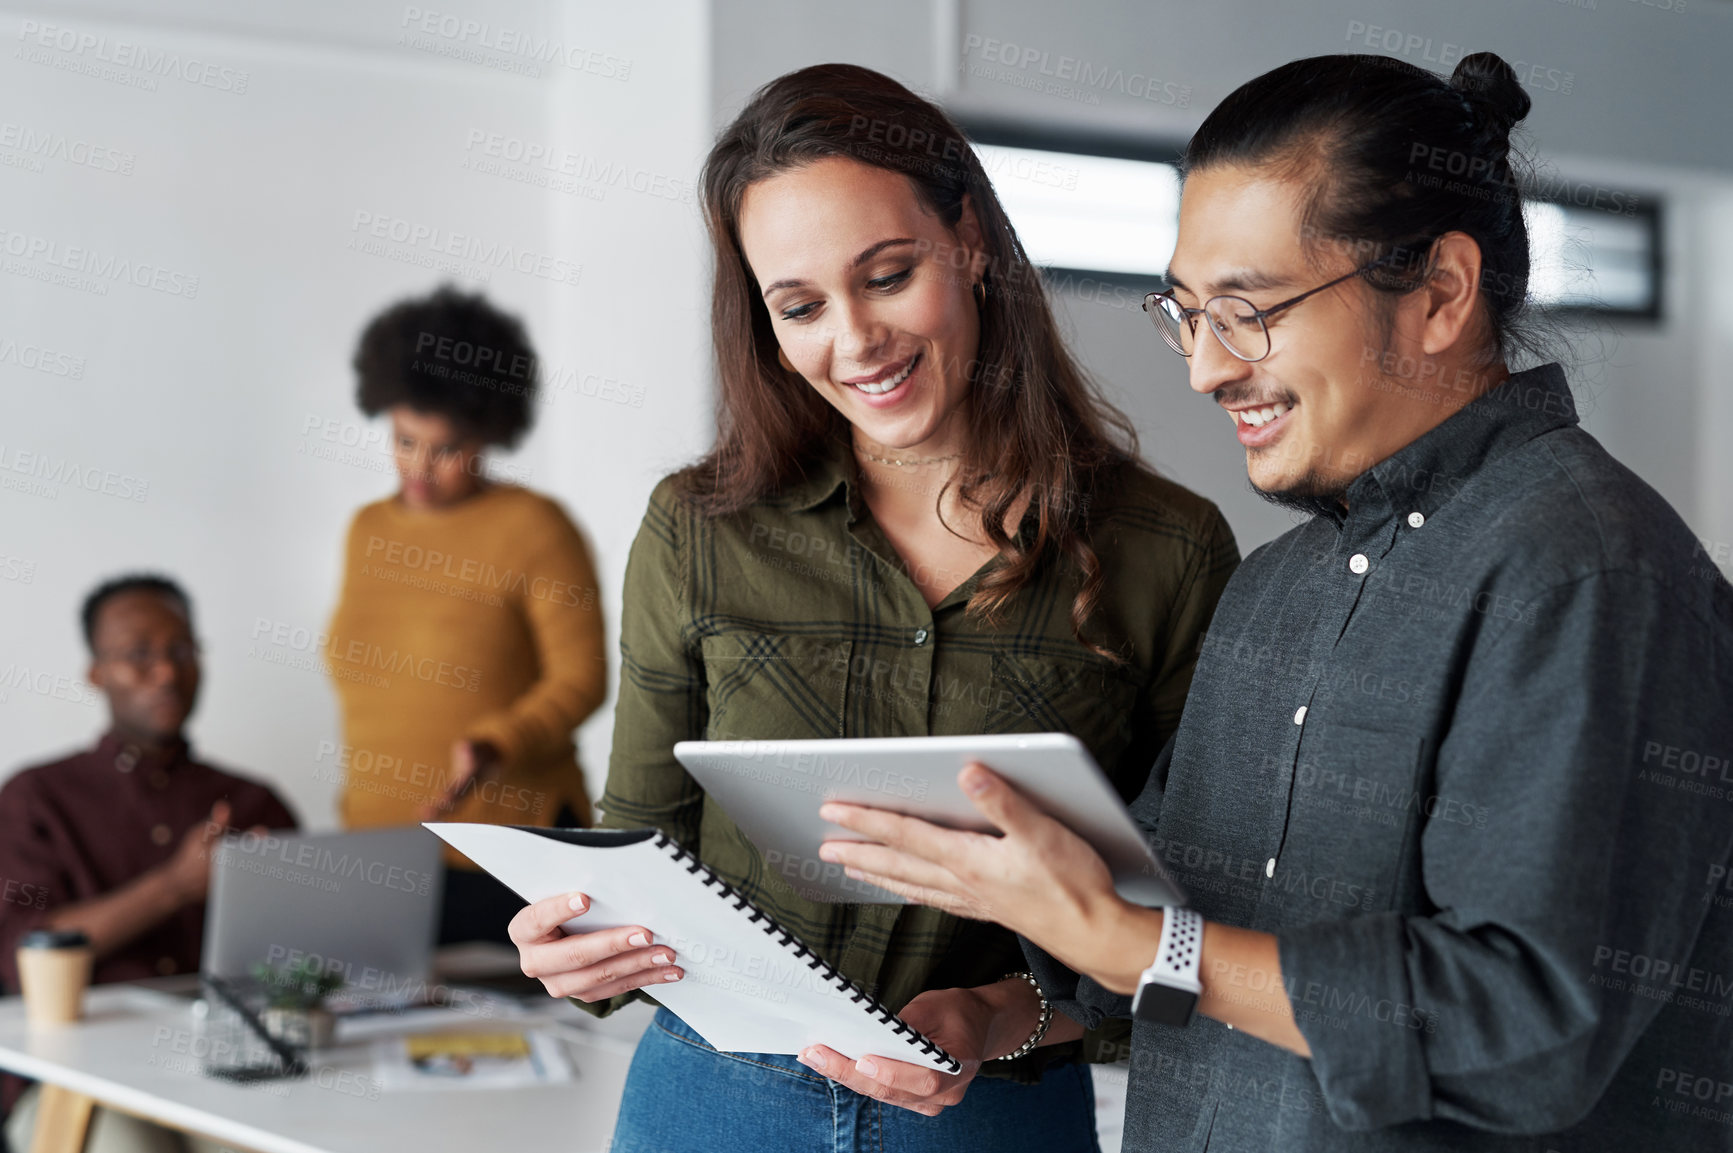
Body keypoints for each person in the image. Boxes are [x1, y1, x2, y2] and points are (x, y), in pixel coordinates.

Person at [814, 51, 1733, 1152]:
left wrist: (1146, 947)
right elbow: (1162, 937)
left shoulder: (1588, 575)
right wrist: (1000, 1013)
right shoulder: (1272, 588)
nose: (1202, 369)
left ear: (1439, 291)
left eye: (1245, 312)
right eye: (1185, 313)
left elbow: (1523, 1029)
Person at [504, 63, 1239, 1152]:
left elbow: (1188, 927)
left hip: (995, 1117)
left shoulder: (1164, 549)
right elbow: (642, 848)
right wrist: (577, 945)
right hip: (710, 1104)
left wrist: (1003, 1012)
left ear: (972, 241)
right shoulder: (700, 527)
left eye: (888, 276)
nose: (852, 342)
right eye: (799, 306)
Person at [327, 286, 607, 945]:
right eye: (403, 440)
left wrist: (495, 743)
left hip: (508, 848)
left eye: (447, 448)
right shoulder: (367, 528)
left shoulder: (535, 527)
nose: (419, 467)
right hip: (381, 851)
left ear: (489, 434)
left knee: (511, 1044)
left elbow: (582, 678)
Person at [0, 575, 296, 1153]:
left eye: (182, 651)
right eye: (139, 654)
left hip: (233, 1063)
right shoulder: (36, 798)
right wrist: (173, 887)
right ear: (96, 673)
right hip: (76, 1075)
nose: (166, 672)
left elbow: (314, 959)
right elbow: (20, 955)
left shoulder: (254, 801)